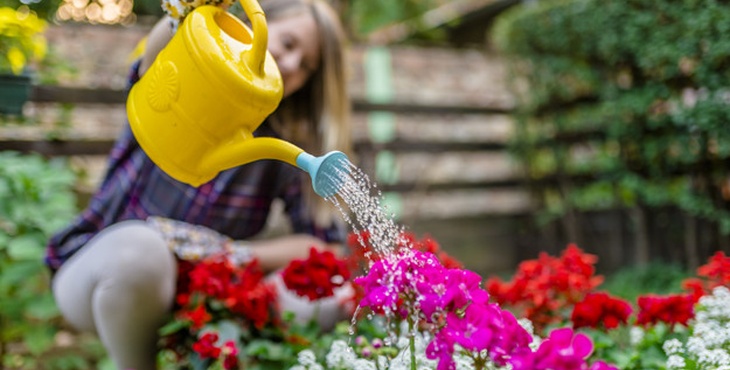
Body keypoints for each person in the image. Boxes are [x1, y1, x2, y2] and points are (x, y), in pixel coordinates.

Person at [44, 0, 351, 369]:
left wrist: (230, 254)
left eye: (306, 66)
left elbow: (322, 246)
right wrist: (186, 13)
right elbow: (156, 57)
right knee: (141, 249)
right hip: (98, 277)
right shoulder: (190, 78)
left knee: (332, 295)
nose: (290, 64)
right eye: (287, 44)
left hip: (196, 302)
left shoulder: (283, 145)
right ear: (249, 26)